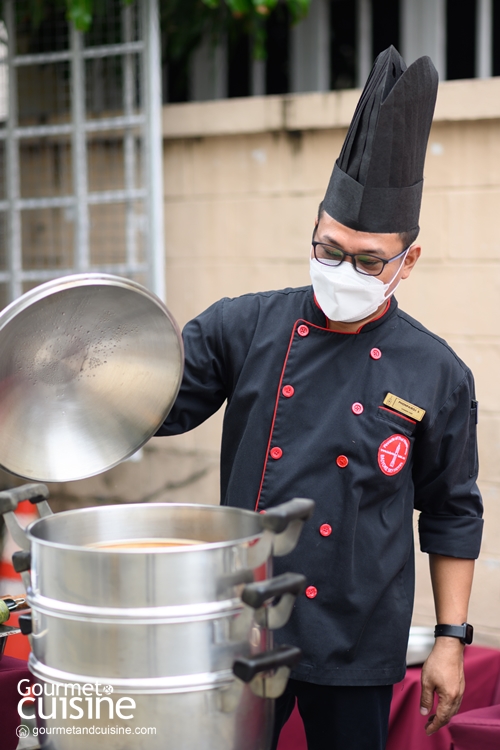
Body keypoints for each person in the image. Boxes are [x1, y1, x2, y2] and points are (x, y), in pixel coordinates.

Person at [157, 46, 483, 750]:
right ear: (314, 226)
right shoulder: (241, 326)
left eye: (369, 261)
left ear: (409, 261)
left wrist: (453, 638)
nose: (344, 271)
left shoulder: (438, 372)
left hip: (359, 636)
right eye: (330, 249)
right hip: (243, 620)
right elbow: (152, 401)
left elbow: (453, 510)